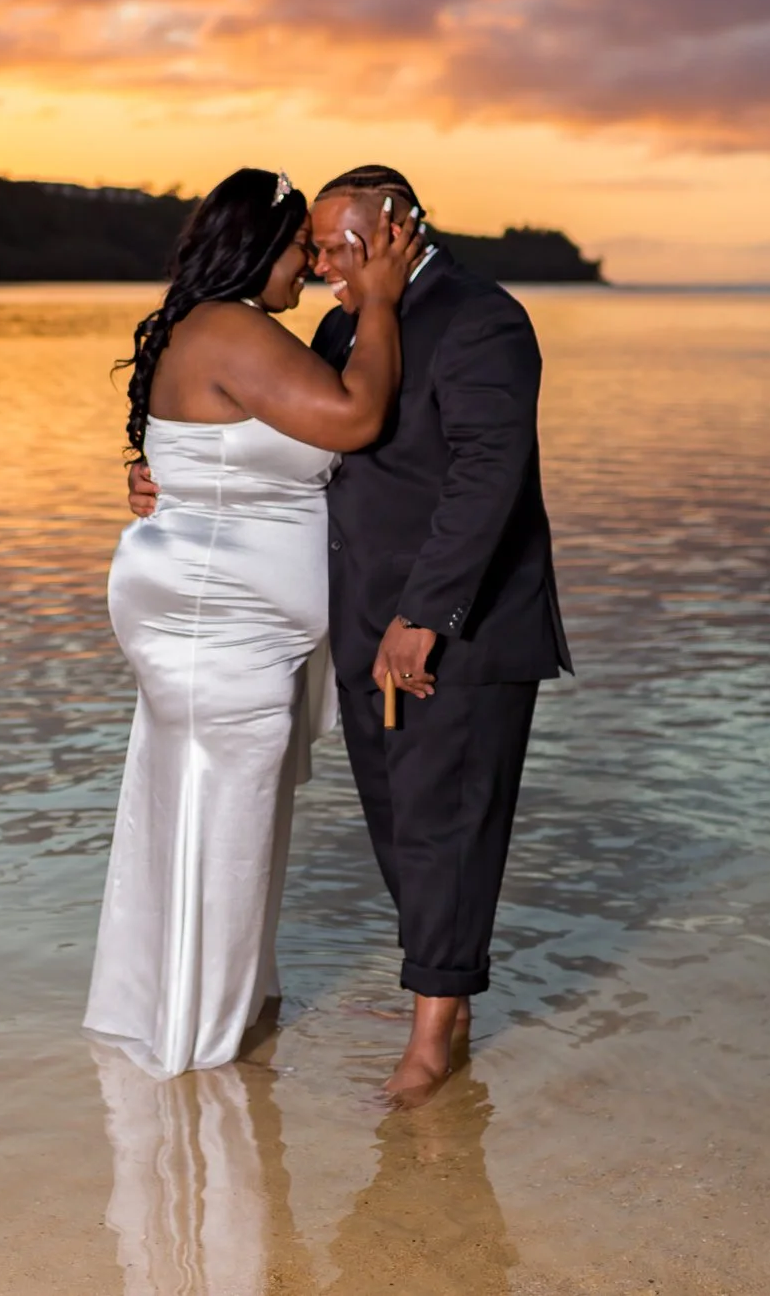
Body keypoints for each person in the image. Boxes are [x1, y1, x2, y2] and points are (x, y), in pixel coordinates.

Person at [128, 164, 568, 1105]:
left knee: (448, 826)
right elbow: (285, 446)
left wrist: (426, 617)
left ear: (399, 225)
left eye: (339, 243)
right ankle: (438, 994)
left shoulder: (483, 318)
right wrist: (175, 481)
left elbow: (488, 479)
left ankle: (431, 1041)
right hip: (363, 625)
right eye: (315, 245)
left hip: (457, 627)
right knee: (399, 824)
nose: (322, 261)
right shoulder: (342, 324)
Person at [85, 167, 420, 1078]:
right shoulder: (232, 327)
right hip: (214, 618)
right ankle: (199, 1047)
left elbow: (202, 454)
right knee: (220, 821)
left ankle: (184, 1013)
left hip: (217, 610)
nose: (310, 268)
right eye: (299, 250)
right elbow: (354, 416)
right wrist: (382, 298)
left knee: (197, 810)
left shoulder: (215, 327)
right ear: (256, 249)